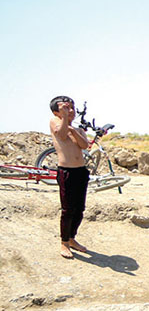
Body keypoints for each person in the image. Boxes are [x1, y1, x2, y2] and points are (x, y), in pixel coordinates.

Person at [49, 95, 90, 259]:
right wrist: (64, 117)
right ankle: (64, 243)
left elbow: (84, 145)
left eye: (72, 108)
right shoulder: (55, 122)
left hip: (80, 171)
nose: (71, 111)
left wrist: (74, 130)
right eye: (66, 108)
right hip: (66, 172)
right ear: (56, 111)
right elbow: (61, 135)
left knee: (79, 209)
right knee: (68, 210)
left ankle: (72, 238)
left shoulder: (77, 129)